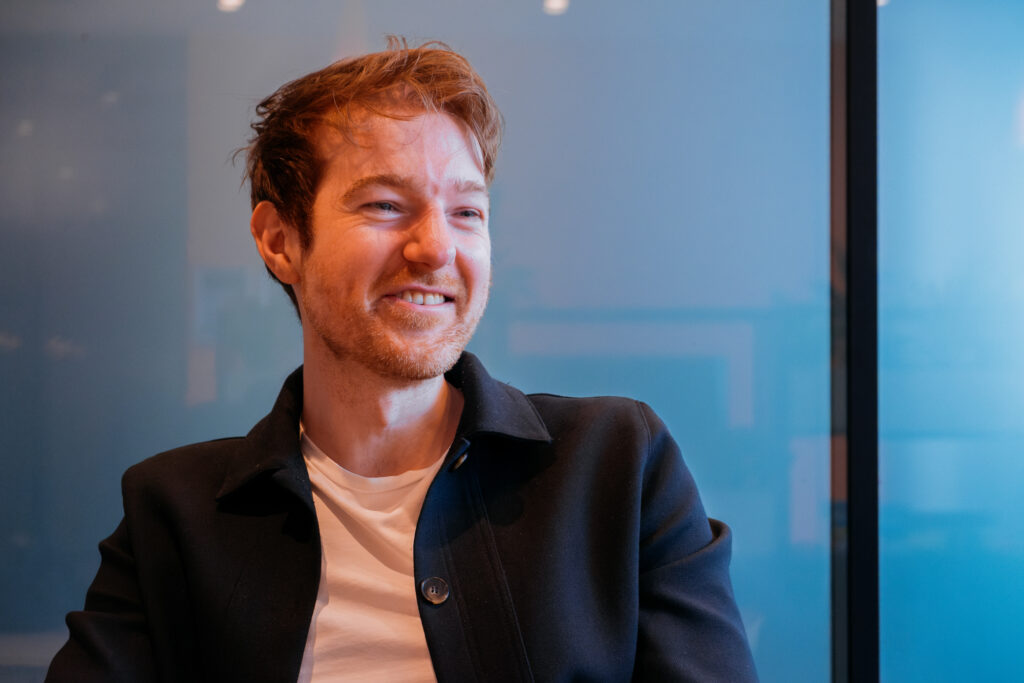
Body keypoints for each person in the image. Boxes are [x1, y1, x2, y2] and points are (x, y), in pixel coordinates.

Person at [47, 38, 758, 682]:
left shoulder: (618, 467)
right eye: (387, 205)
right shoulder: (174, 512)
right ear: (279, 240)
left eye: (467, 212)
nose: (436, 248)